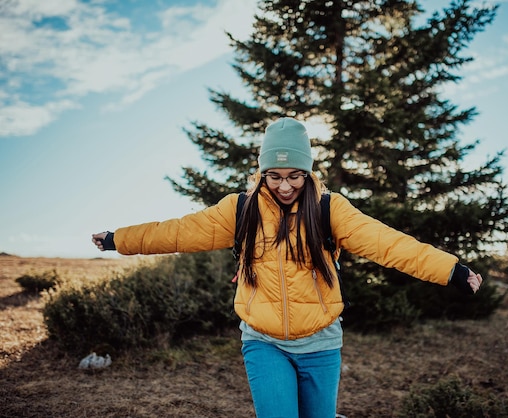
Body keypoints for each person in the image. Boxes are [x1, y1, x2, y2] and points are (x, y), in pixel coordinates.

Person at [92, 117, 483, 418]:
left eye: (294, 175)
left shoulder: (330, 209)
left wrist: (452, 270)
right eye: (274, 176)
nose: (284, 186)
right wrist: (117, 239)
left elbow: (388, 244)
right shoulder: (240, 209)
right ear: (262, 172)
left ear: (308, 172)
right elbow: (176, 233)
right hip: (263, 342)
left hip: (321, 341)